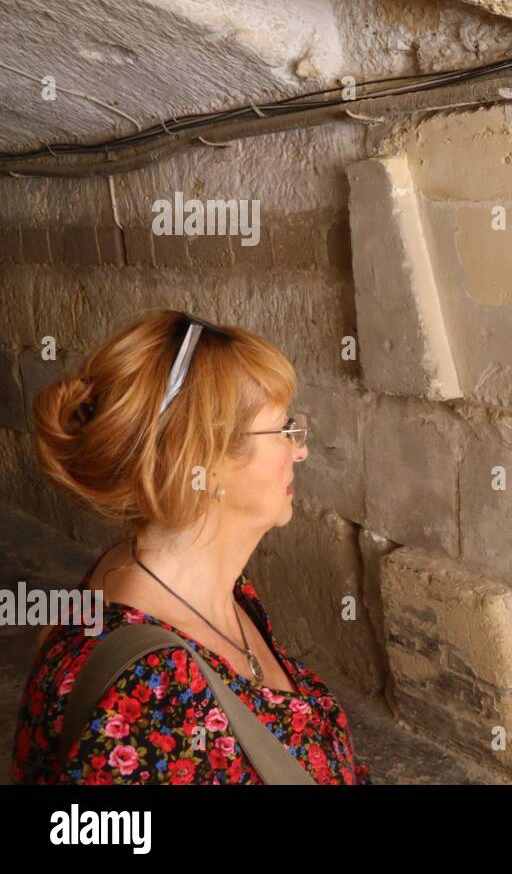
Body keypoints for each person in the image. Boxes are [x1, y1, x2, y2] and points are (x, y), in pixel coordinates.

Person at [10, 309, 371, 784]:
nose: (300, 450)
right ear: (203, 459)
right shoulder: (145, 699)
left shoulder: (203, 585)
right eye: (284, 430)